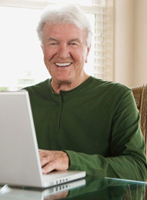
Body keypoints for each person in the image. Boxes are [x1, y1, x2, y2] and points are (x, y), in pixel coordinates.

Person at [24, 3, 147, 181]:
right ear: (43, 50)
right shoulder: (25, 98)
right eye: (53, 43)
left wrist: (69, 160)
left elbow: (137, 168)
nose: (63, 53)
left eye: (73, 43)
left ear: (87, 51)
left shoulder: (117, 97)